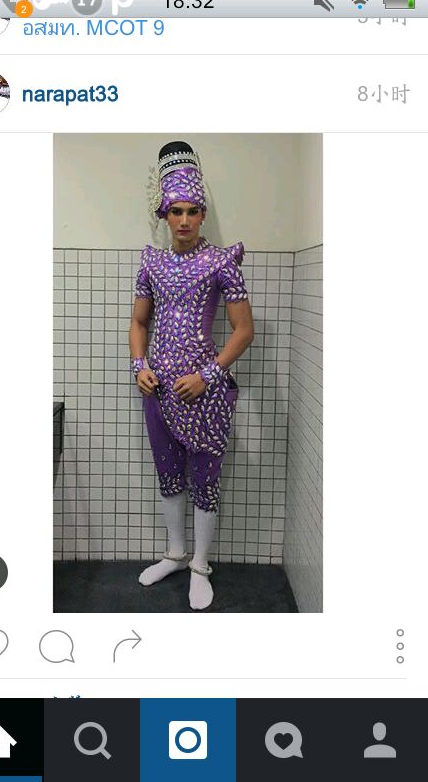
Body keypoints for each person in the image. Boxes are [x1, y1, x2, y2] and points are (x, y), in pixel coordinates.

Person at [129, 141, 254, 610]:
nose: (184, 220)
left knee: (204, 475)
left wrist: (208, 374)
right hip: (158, 389)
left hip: (205, 392)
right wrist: (140, 365)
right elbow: (138, 322)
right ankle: (175, 554)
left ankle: (200, 564)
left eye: (192, 211)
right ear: (164, 214)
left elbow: (244, 331)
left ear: (202, 214)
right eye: (176, 211)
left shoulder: (221, 262)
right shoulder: (152, 262)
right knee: (167, 472)